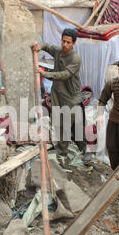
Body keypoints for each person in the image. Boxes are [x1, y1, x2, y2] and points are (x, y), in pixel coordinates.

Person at [31, 28, 89, 161]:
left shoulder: (75, 58)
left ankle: (84, 149)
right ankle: (63, 149)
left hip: (71, 96)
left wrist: (45, 73)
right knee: (58, 122)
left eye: (68, 42)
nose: (65, 45)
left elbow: (65, 74)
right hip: (57, 94)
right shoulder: (58, 51)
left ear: (73, 43)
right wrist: (40, 46)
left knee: (76, 124)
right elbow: (48, 47)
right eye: (63, 41)